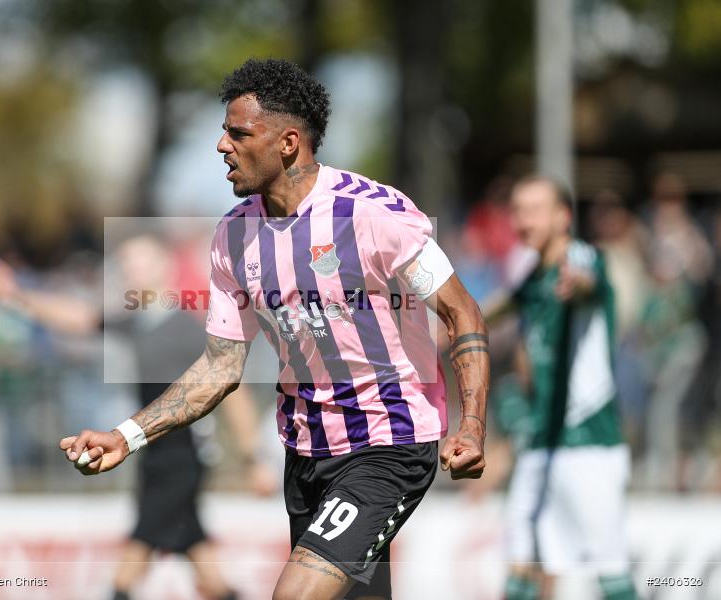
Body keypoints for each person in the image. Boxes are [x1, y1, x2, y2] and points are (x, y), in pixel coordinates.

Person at [60, 58, 489, 600]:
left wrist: (472, 425)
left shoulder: (371, 214)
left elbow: (462, 312)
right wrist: (127, 435)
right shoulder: (233, 237)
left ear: (288, 143)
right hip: (305, 452)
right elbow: (220, 366)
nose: (222, 146)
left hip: (389, 443)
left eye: (238, 133)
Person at [0, 233, 274, 600]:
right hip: (151, 451)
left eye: (140, 262)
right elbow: (79, 318)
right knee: (203, 564)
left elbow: (234, 392)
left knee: (135, 553)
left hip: (184, 455)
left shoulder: (188, 326)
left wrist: (254, 458)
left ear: (163, 269)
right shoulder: (135, 322)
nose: (130, 271)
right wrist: (17, 295)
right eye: (125, 264)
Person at [487, 176, 636, 600]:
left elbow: (587, 277)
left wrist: (577, 283)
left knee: (612, 577)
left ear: (563, 216)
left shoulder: (580, 257)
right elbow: (491, 309)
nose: (522, 219)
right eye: (517, 210)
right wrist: (449, 323)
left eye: (534, 209)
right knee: (522, 565)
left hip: (588, 441)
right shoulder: (533, 278)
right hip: (542, 441)